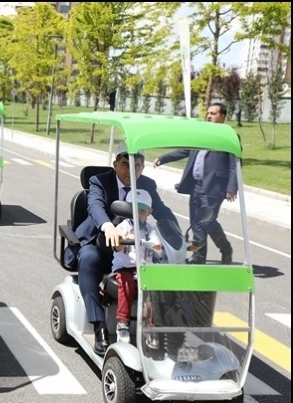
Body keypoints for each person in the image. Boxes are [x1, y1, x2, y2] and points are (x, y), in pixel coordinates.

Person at [73, 142, 177, 356]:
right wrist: (108, 225)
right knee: (87, 258)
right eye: (124, 164)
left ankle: (157, 325)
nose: (131, 170)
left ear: (143, 167)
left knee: (166, 264)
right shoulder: (99, 181)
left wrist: (177, 232)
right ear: (115, 165)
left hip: (136, 252)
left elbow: (162, 210)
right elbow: (95, 205)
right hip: (102, 244)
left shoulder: (147, 184)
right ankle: (99, 326)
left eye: (137, 165)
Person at [154, 102, 236, 265]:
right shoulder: (201, 133)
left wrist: (232, 187)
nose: (209, 116)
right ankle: (199, 256)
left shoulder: (229, 135)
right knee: (196, 223)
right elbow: (185, 150)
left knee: (208, 221)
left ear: (223, 116)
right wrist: (164, 158)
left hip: (214, 187)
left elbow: (235, 164)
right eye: (208, 113)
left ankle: (226, 248)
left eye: (213, 113)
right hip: (196, 186)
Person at [111, 189, 162, 344]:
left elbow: (158, 247)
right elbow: (117, 246)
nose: (137, 214)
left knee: (154, 286)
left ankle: (150, 325)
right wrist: (124, 239)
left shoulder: (151, 230)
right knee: (126, 283)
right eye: (133, 210)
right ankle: (122, 323)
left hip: (145, 270)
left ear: (149, 212)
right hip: (125, 268)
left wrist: (161, 246)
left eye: (141, 211)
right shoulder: (123, 227)